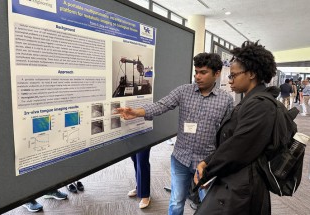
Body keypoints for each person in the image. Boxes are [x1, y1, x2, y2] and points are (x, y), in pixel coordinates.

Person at [116, 53, 234, 215]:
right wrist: (136, 112)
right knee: (176, 202)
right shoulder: (184, 91)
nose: (197, 77)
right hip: (181, 159)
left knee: (209, 204)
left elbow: (226, 133)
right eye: (196, 72)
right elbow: (161, 105)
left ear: (217, 73)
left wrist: (218, 161)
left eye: (203, 72)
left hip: (207, 162)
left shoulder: (226, 100)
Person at [194, 41, 277, 214]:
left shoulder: (261, 105)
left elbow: (238, 147)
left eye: (233, 75)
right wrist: (208, 161)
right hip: (236, 178)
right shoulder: (250, 101)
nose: (230, 80)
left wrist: (207, 168)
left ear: (252, 74)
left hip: (243, 186)